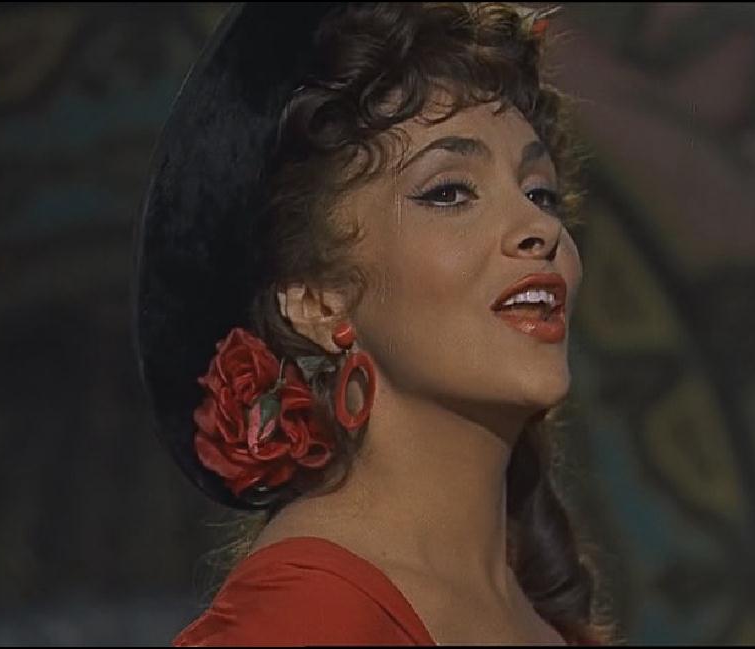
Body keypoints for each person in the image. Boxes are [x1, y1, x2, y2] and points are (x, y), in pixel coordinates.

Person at [134, 2, 612, 645]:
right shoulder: (302, 623)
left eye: (540, 192)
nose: (539, 228)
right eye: (449, 192)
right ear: (316, 301)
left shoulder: (533, 616)